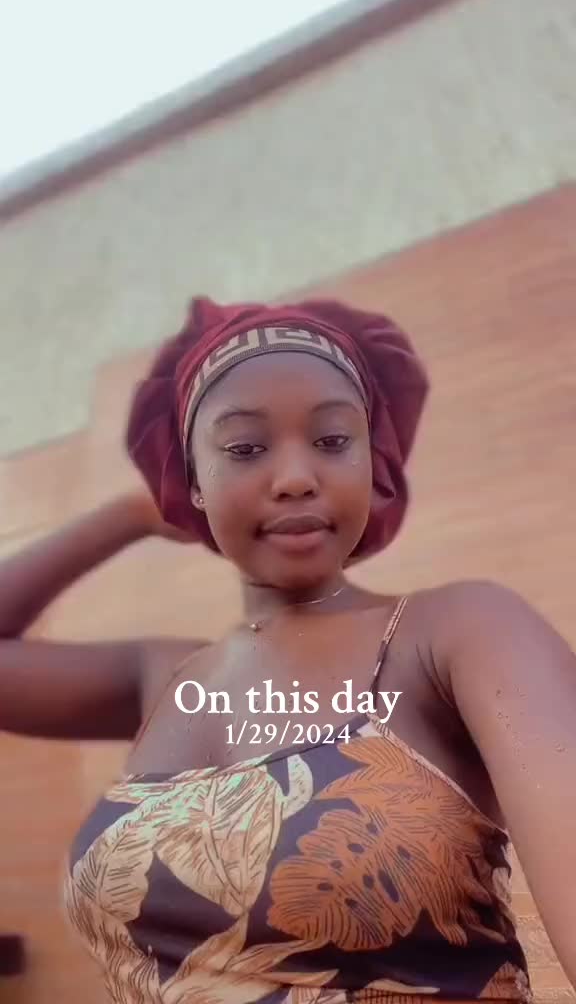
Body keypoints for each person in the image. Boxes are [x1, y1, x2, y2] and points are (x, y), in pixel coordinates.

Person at [1, 295, 574, 1003]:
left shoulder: (457, 634)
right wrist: (133, 513)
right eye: (244, 448)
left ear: (371, 463)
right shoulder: (170, 679)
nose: (298, 476)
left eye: (333, 441)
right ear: (193, 480)